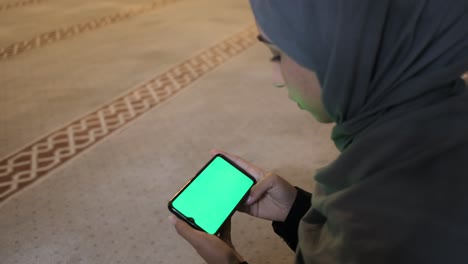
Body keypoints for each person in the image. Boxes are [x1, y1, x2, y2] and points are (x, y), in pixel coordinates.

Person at [169, 0, 468, 263]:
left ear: (337, 54)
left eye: (277, 54)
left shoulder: (373, 220)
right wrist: (296, 210)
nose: (276, 78)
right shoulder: (442, 116)